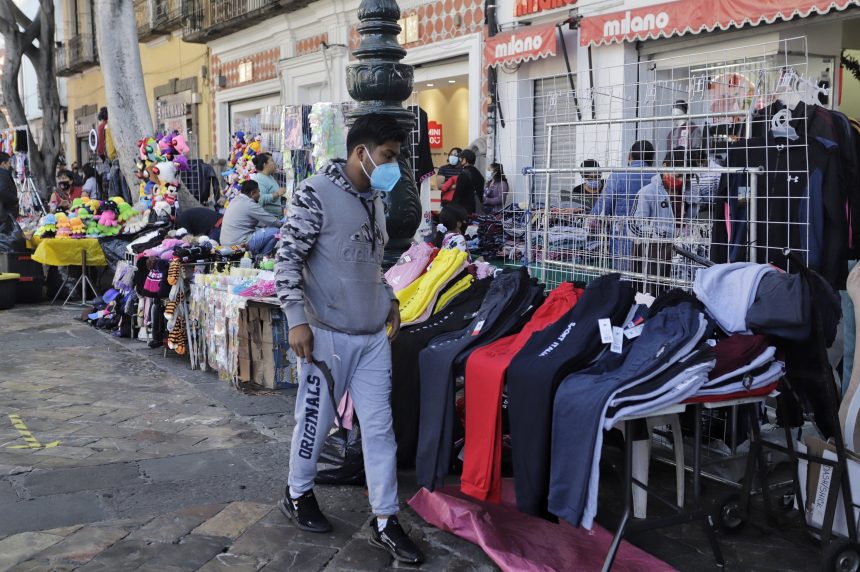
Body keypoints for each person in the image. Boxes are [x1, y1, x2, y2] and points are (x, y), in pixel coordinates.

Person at [274, 113, 424, 564]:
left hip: (372, 336)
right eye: (388, 156)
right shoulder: (315, 193)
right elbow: (287, 259)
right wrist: (296, 320)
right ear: (361, 152)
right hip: (326, 336)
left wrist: (389, 298)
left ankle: (386, 518)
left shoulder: (375, 199)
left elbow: (372, 263)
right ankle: (298, 493)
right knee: (314, 423)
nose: (393, 166)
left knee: (379, 429)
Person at [590, 140, 656, 271]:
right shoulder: (657, 177)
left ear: (629, 156)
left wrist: (592, 218)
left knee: (624, 276)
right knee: (649, 276)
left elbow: (602, 210)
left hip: (622, 237)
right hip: (651, 238)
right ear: (652, 159)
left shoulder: (617, 176)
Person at [628, 148, 690, 281]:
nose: (681, 180)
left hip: (682, 260)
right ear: (665, 166)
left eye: (685, 176)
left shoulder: (688, 192)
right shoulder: (647, 193)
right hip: (653, 257)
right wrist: (663, 234)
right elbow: (634, 228)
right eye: (678, 175)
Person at [220, 180, 281, 256]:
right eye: (258, 192)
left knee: (262, 229)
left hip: (226, 243)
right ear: (252, 193)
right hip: (238, 244)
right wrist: (285, 223)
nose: (259, 195)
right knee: (276, 231)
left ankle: (257, 254)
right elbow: (273, 222)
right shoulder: (249, 204)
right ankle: (263, 257)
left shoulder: (234, 200)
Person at [252, 153, 287, 217]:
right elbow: (260, 199)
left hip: (275, 216)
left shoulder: (269, 176)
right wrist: (278, 193)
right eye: (272, 161)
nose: (274, 163)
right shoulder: (260, 179)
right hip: (268, 218)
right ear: (264, 164)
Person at [452, 149, 484, 215]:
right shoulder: (478, 173)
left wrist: (452, 207)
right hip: (477, 207)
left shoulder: (464, 174)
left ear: (465, 160)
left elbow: (458, 193)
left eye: (461, 158)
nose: (459, 160)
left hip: (465, 209)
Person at [0, 152, 18, 223]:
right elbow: (2, 191)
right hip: (5, 214)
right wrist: (15, 200)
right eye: (9, 163)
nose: (10, 165)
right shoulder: (2, 174)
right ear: (3, 164)